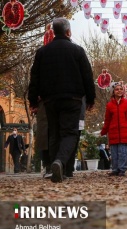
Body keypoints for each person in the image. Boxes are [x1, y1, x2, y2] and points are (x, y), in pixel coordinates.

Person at [28, 17, 95, 183]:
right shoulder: (78, 51)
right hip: (72, 98)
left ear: (54, 32)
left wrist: (33, 101)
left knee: (54, 132)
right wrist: (91, 98)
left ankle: (54, 166)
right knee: (70, 133)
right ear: (68, 32)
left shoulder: (42, 52)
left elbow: (34, 78)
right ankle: (60, 162)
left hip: (50, 99)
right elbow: (87, 75)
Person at [101, 82, 127, 176]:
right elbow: (107, 120)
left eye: (121, 89)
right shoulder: (109, 105)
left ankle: (122, 169)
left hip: (125, 132)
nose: (119, 91)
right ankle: (115, 169)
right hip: (113, 132)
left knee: (123, 153)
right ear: (113, 91)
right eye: (117, 89)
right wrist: (104, 130)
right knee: (114, 153)